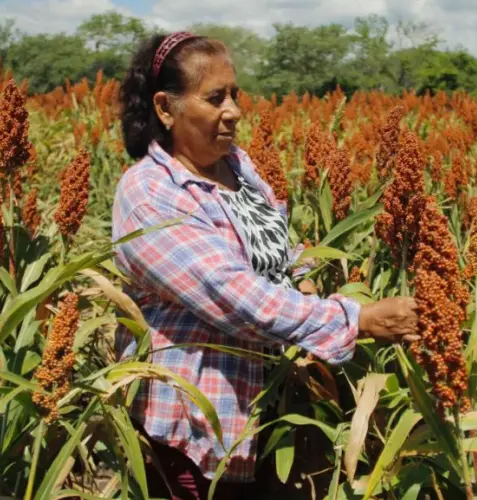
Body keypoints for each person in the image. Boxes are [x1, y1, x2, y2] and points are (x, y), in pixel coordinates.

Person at [112, 31, 420, 499]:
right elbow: (233, 294)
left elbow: (276, 256)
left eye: (235, 95)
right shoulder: (149, 193)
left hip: (268, 408)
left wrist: (327, 281)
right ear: (165, 107)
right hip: (195, 430)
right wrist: (357, 319)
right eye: (215, 98)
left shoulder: (238, 166)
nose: (233, 110)